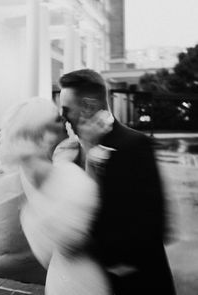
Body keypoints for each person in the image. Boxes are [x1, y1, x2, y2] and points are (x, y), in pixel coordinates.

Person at [58, 69, 177, 295]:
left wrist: (120, 262)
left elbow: (155, 219)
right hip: (93, 278)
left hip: (136, 281)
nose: (63, 117)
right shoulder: (74, 150)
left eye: (66, 110)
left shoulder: (134, 145)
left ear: (88, 106)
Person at [0, 97, 112, 295]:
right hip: (80, 281)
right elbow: (75, 239)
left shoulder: (37, 166)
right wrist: (91, 146)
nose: (66, 122)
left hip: (63, 274)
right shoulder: (48, 171)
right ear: (44, 132)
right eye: (58, 119)